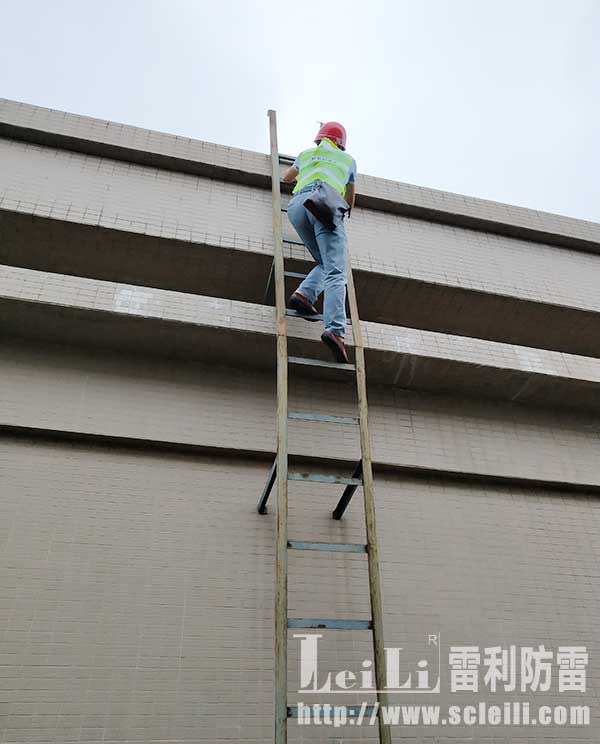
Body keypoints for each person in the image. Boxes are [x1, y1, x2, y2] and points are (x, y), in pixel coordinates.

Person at [281, 122, 357, 363]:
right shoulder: (348, 161)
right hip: (325, 206)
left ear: (319, 139)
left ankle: (304, 294)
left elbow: (286, 177)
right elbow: (350, 199)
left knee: (324, 264)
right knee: (336, 271)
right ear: (341, 144)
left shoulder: (306, 154)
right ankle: (336, 330)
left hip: (298, 207)